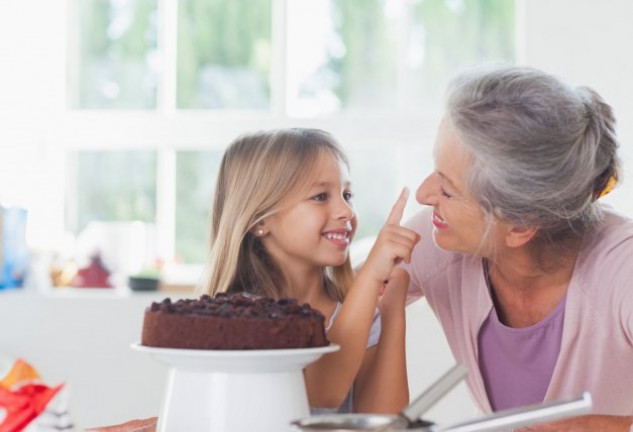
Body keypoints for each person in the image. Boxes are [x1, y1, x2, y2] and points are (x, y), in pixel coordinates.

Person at [403, 65, 633, 431]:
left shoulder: (623, 268)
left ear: (521, 224)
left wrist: (600, 426)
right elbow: (325, 312)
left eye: (447, 190)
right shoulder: (438, 238)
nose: (423, 195)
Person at [199, 128, 420, 413]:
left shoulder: (358, 311)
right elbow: (322, 397)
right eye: (320, 196)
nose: (346, 211)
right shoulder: (242, 316)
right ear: (259, 220)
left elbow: (383, 424)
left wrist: (391, 310)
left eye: (347, 194)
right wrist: (369, 278)